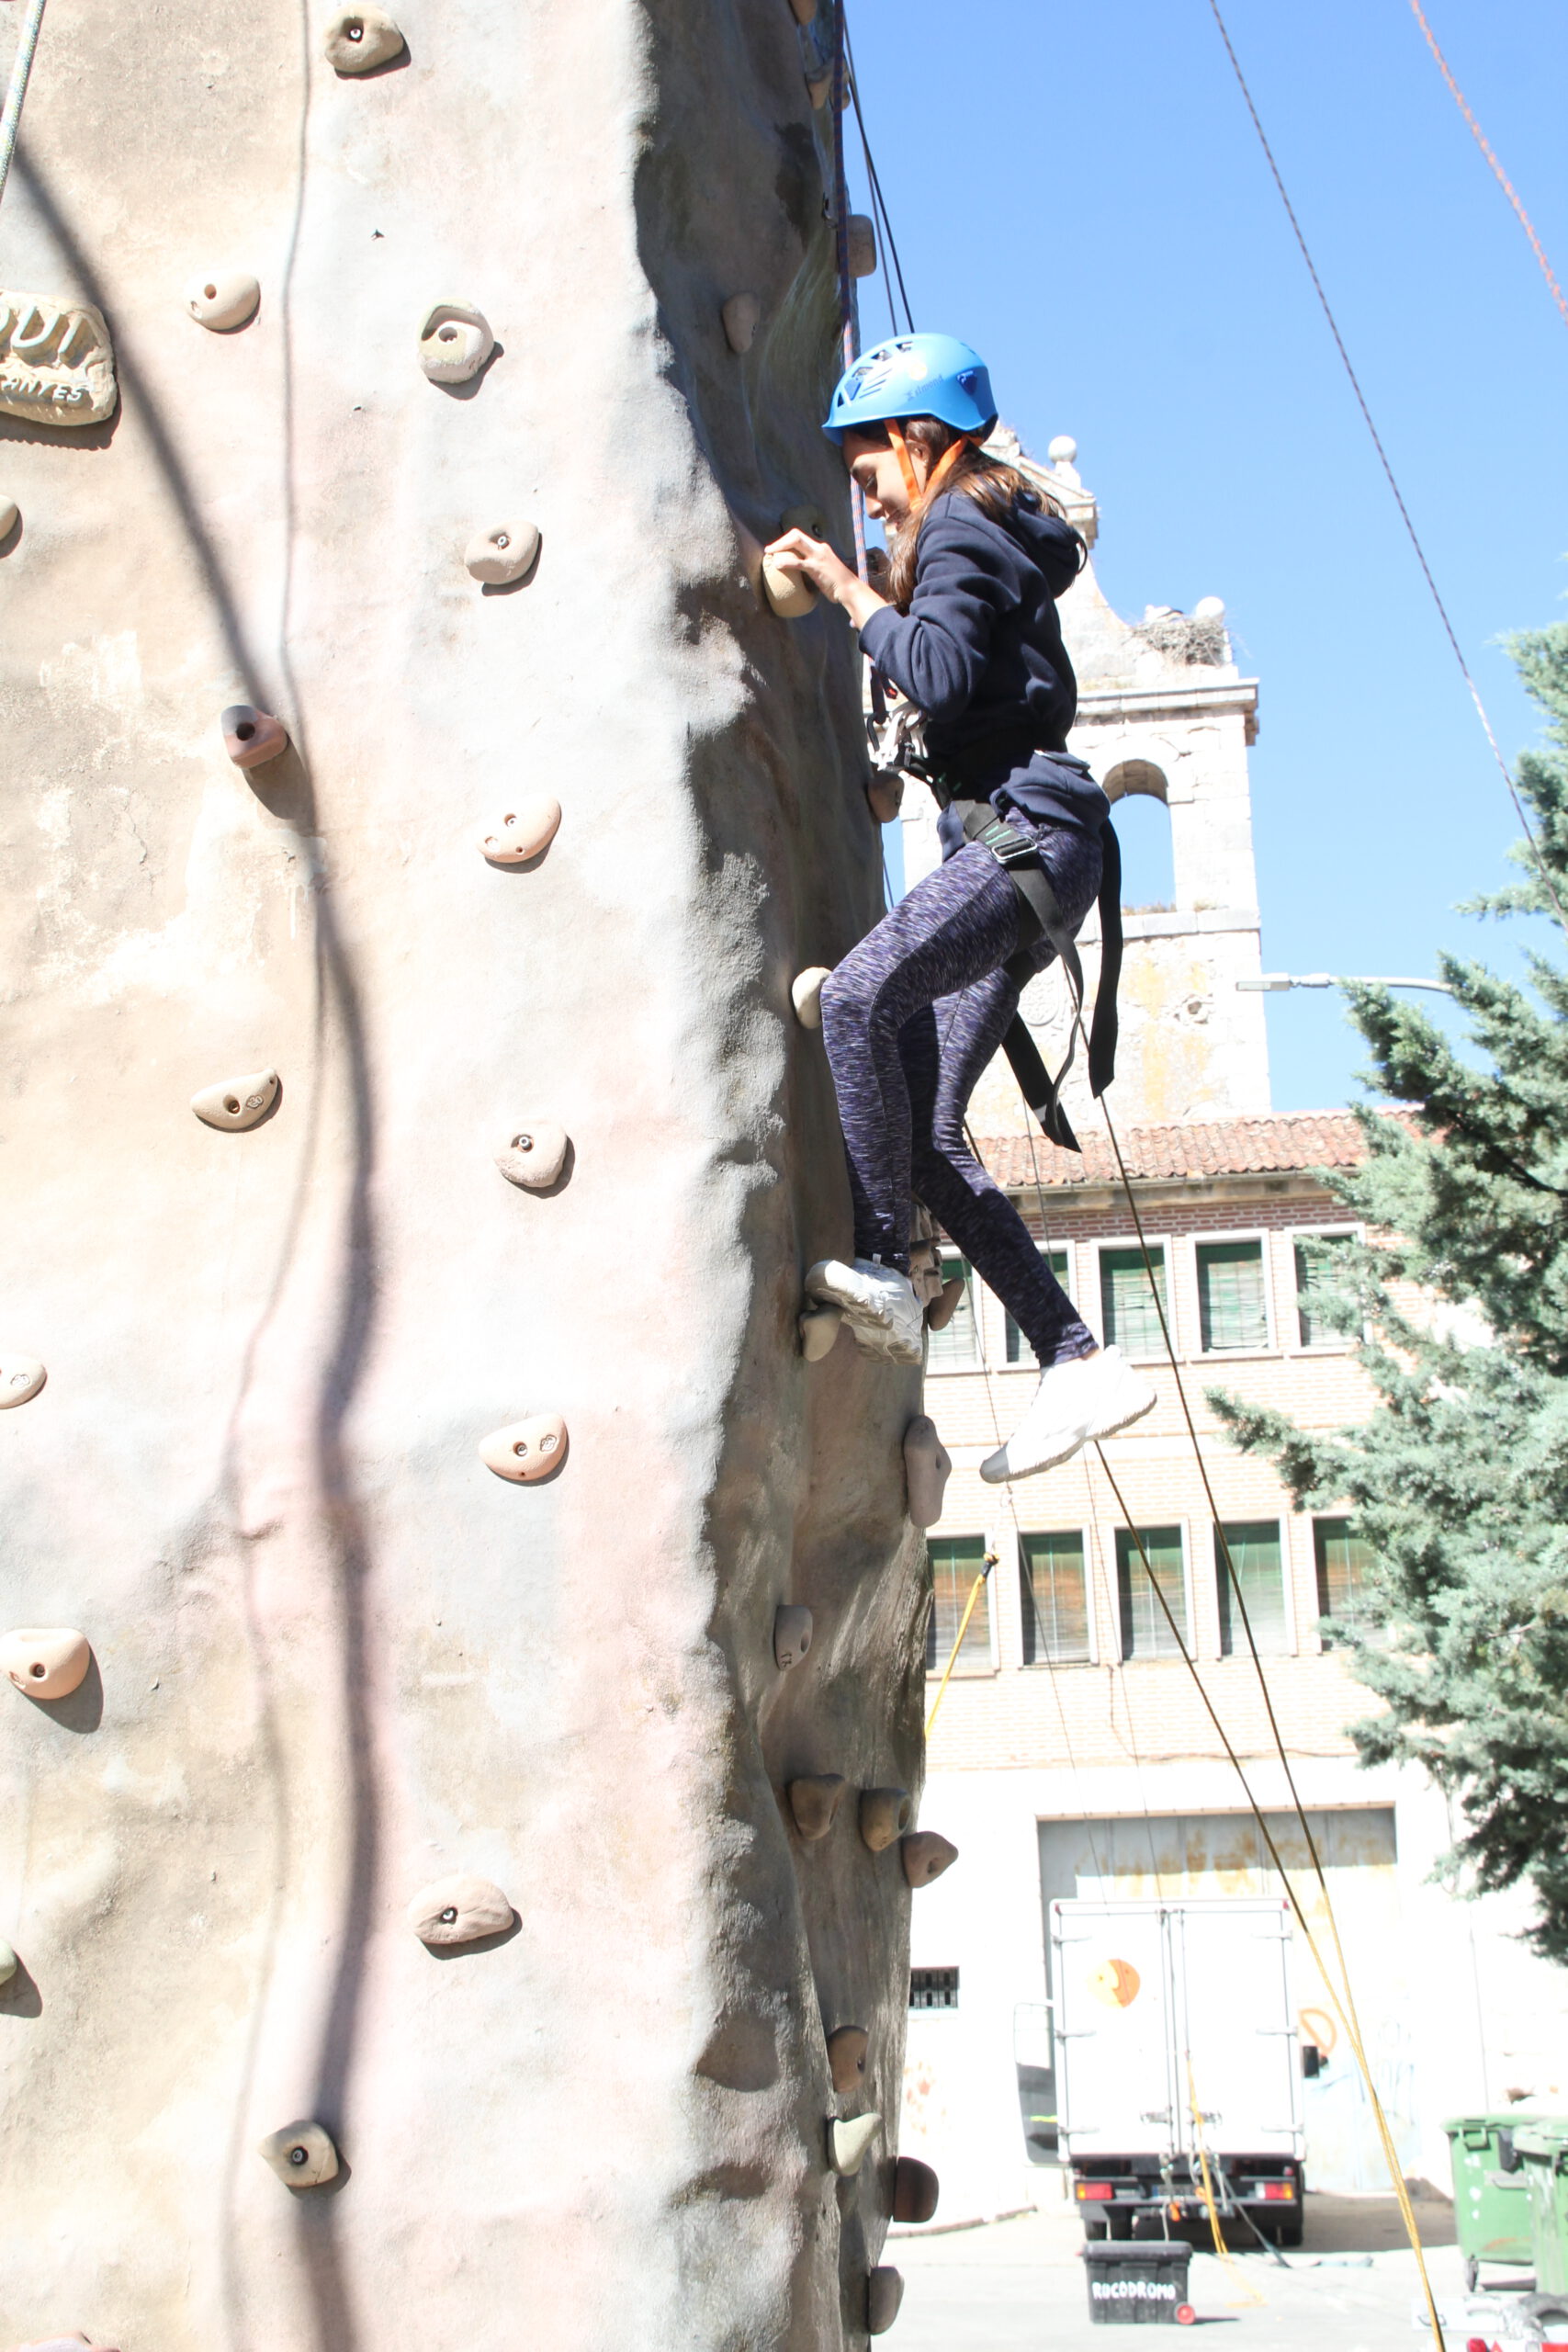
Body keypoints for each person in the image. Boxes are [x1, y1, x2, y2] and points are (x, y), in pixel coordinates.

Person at [765, 333, 1156, 1482]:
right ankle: (1075, 1357)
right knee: (930, 1135)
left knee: (856, 998)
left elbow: (934, 671)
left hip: (1021, 840)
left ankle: (885, 1265)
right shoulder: (980, 528)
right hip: (1039, 851)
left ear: (915, 437)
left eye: (870, 471)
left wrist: (846, 592)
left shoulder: (960, 521)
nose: (868, 497)